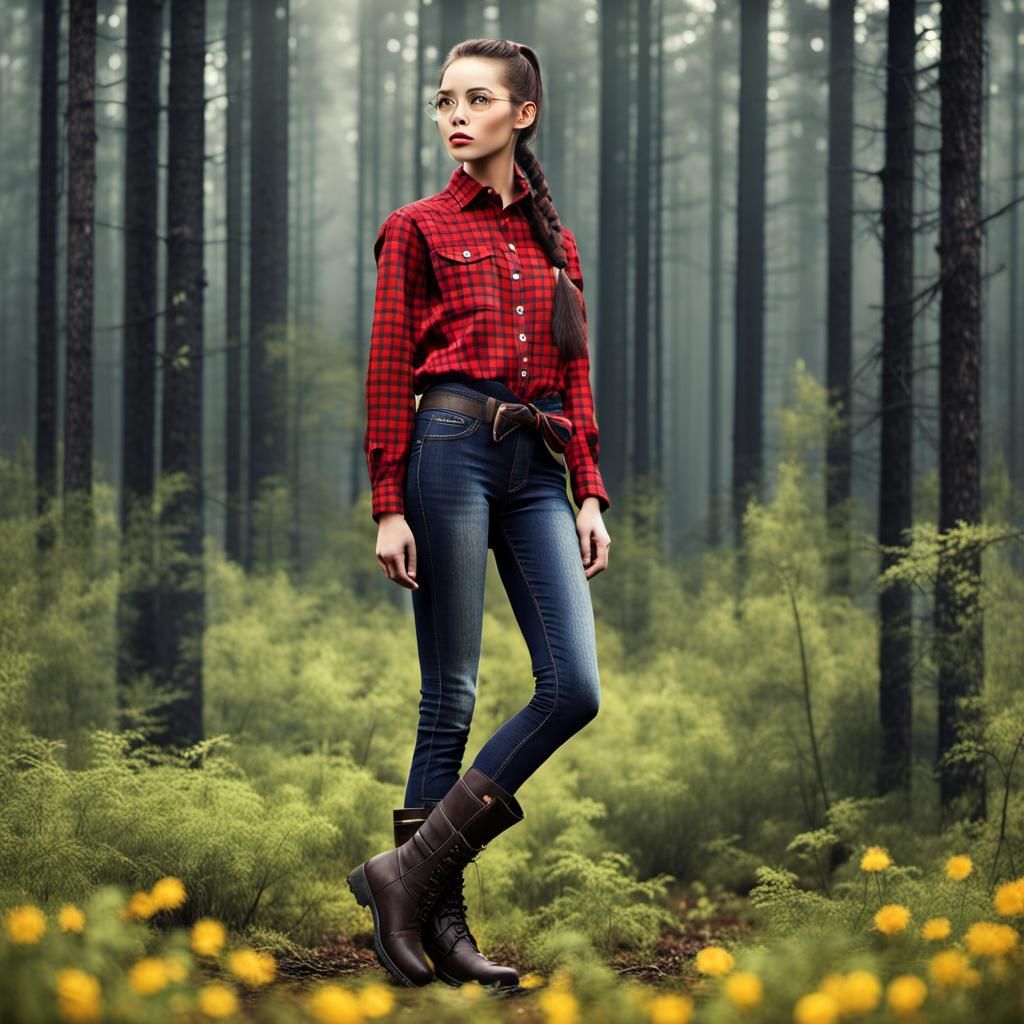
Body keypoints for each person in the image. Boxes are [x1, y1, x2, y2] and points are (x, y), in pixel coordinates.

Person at [348, 37, 612, 991]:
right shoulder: (415, 228)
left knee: (572, 688)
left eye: (477, 100)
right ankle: (438, 919)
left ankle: (404, 875)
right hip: (449, 449)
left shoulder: (555, 243)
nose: (456, 115)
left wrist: (589, 489)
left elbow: (575, 377)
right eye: (444, 101)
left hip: (538, 464)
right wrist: (389, 503)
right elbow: (387, 372)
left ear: (522, 113)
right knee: (449, 695)